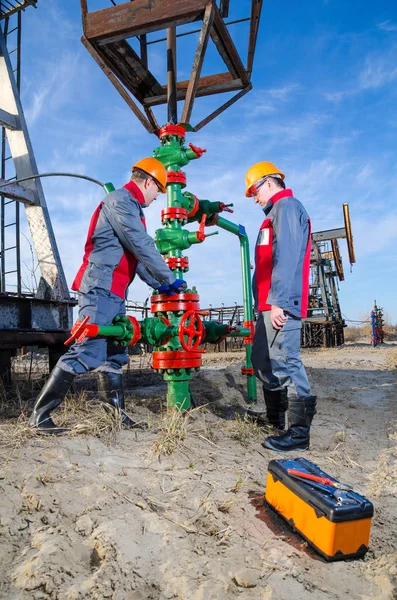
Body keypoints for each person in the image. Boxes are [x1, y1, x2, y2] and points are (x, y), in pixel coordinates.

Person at [29, 158, 186, 434]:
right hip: (100, 288)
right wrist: (168, 278)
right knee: (86, 351)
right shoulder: (121, 201)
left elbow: (135, 258)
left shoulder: (132, 208)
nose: (156, 197)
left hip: (115, 291)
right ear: (148, 182)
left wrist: (160, 285)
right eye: (157, 191)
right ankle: (40, 417)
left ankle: (116, 417)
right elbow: (142, 244)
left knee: (115, 353)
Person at [245, 161, 316, 452]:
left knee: (286, 362)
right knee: (263, 361)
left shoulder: (287, 208)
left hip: (279, 304)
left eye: (255, 191)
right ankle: (275, 419)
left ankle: (299, 433)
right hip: (266, 305)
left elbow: (286, 260)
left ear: (270, 183)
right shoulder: (273, 214)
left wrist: (279, 303)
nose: (254, 197)